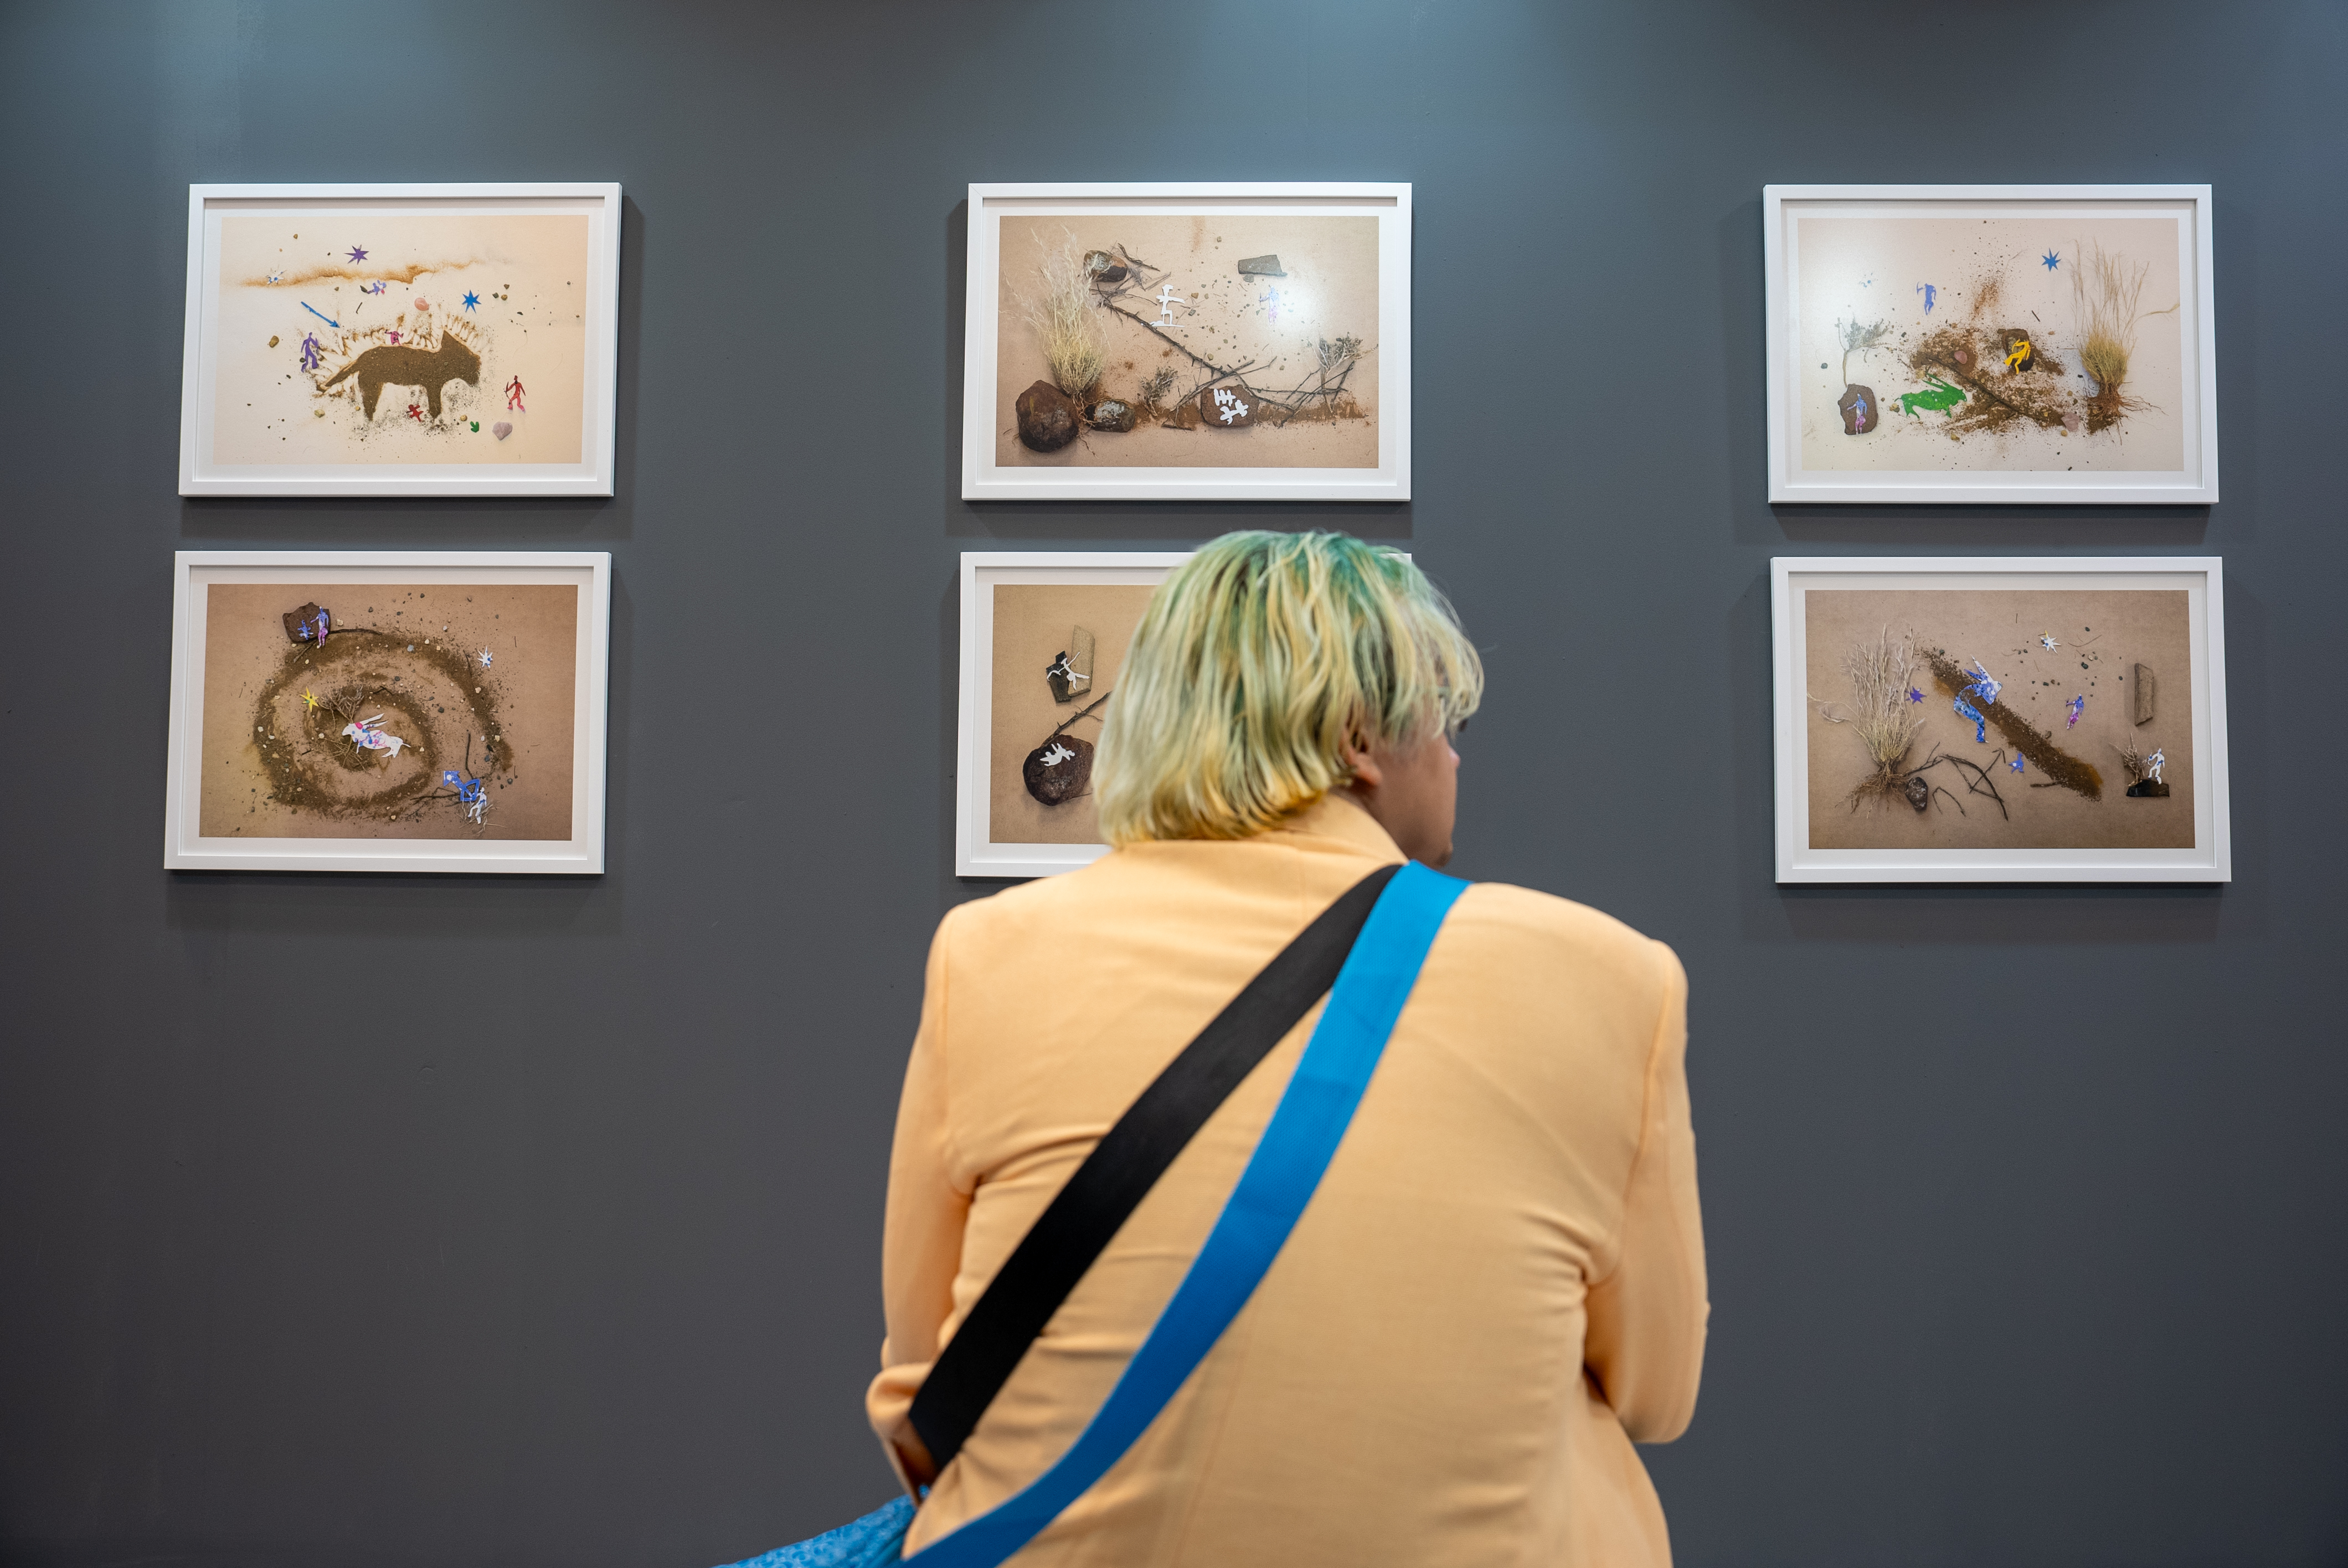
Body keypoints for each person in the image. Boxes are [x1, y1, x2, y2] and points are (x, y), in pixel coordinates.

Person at [870, 532, 1706, 1565]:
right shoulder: (1607, 974)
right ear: (1360, 739)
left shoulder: (989, 953)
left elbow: (929, 1376)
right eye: (1444, 720)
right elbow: (1657, 1393)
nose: (1455, 757)